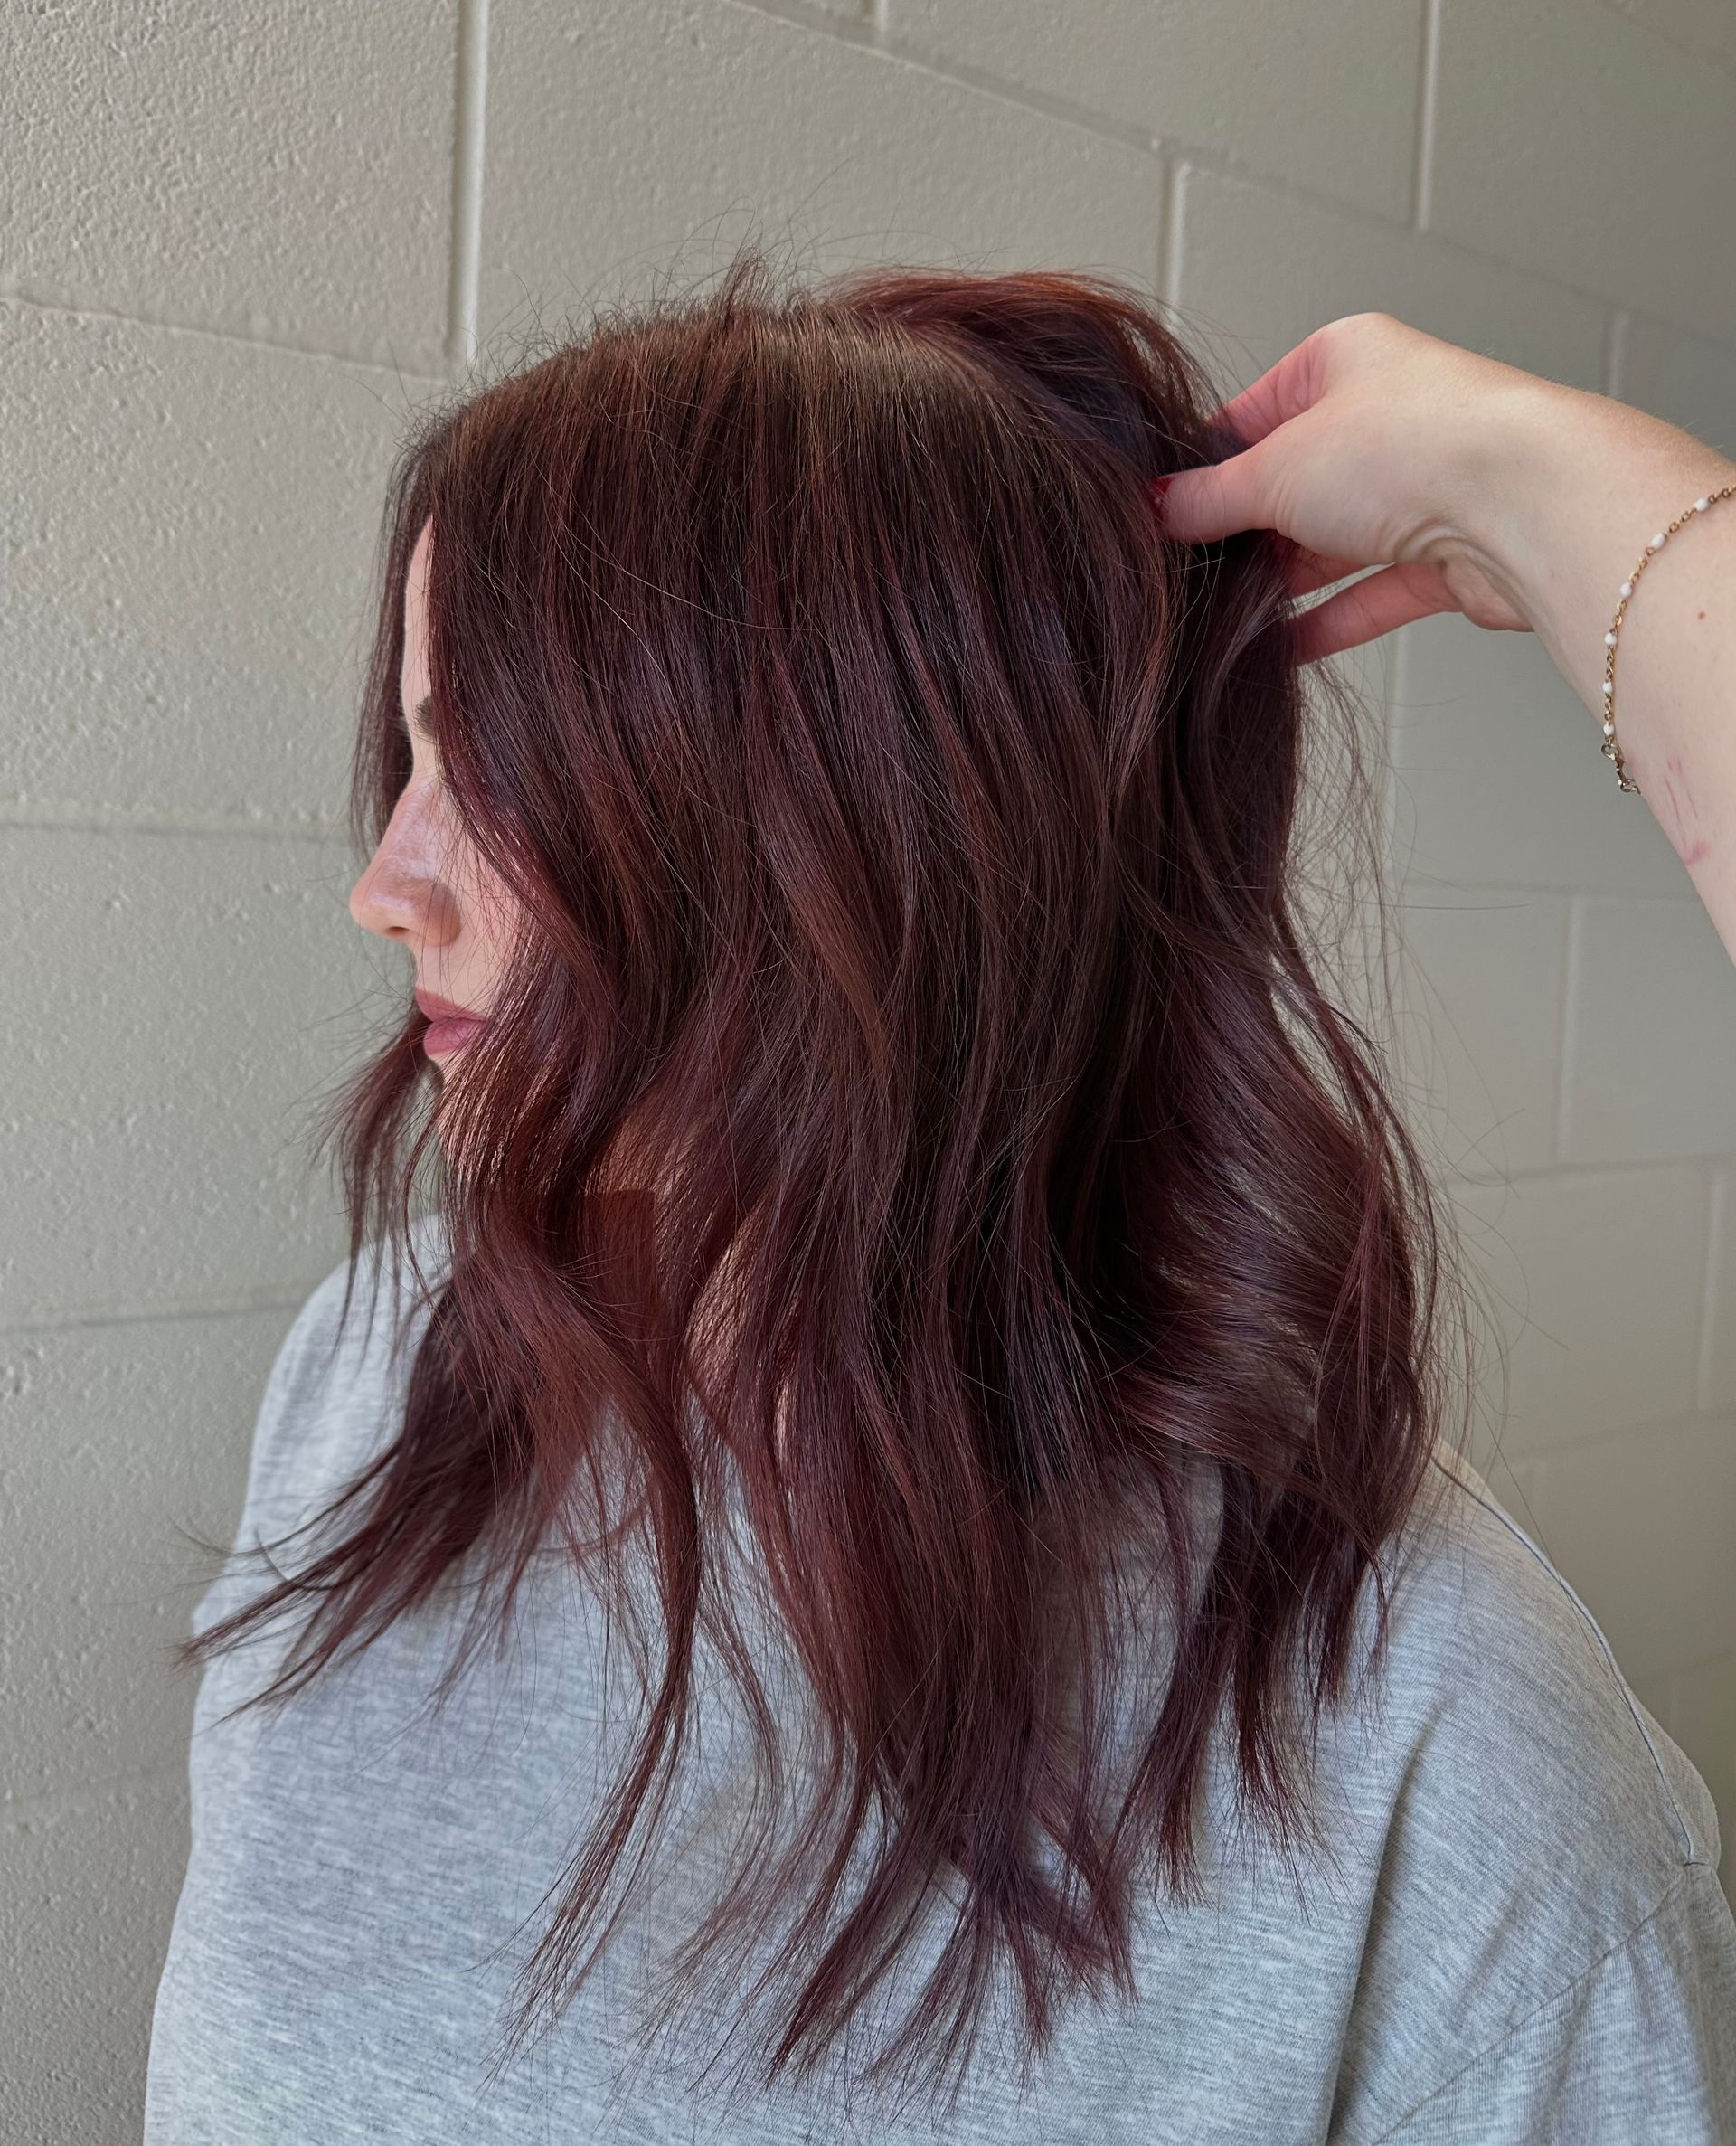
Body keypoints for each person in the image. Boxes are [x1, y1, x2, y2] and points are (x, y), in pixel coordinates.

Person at [144, 258, 1736, 2144]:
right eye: (415, 746)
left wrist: (1578, 497)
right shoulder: (386, 1369)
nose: (391, 880)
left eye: (502, 766)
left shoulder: (1440, 1744)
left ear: (867, 847)